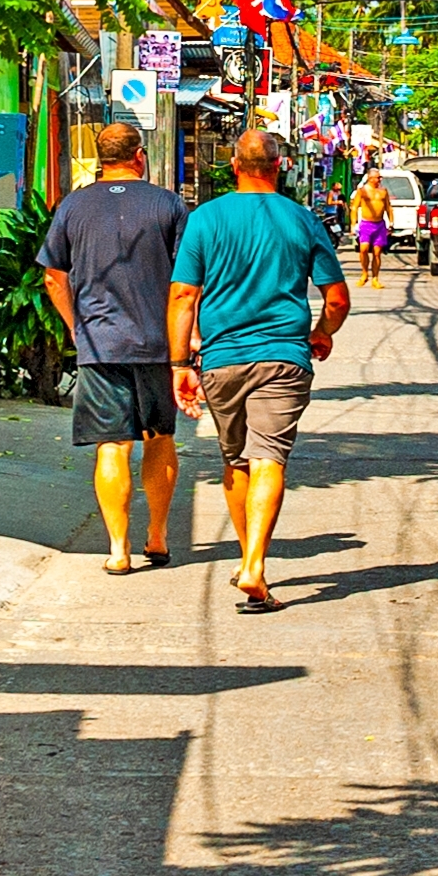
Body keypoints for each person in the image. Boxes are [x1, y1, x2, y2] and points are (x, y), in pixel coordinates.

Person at [167, 126, 348, 614]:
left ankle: (250, 560)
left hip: (221, 360)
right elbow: (336, 297)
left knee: (236, 461)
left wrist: (180, 362)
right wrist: (322, 332)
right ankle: (253, 564)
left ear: (233, 167)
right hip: (283, 358)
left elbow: (184, 294)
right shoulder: (303, 220)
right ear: (279, 166)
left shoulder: (204, 219)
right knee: (269, 457)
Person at [36, 120, 191, 574]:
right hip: (157, 345)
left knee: (112, 445)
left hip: (99, 345)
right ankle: (158, 537)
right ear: (139, 156)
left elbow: (52, 276)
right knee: (159, 438)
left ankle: (118, 550)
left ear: (101, 160)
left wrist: (75, 326)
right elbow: (186, 281)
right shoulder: (168, 205)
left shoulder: (73, 207)